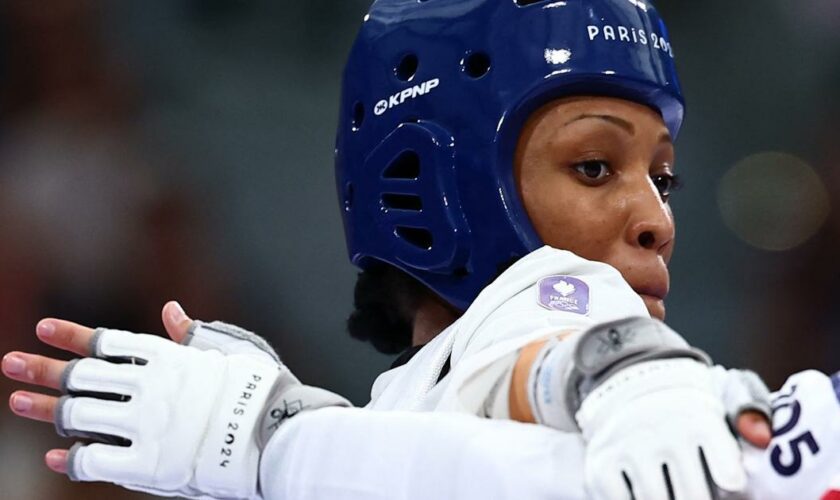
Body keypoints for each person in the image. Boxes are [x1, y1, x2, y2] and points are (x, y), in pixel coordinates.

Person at [4, 0, 839, 499]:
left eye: (664, 179)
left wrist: (274, 446)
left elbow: (564, 348)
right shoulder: (430, 413)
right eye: (595, 166)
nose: (659, 218)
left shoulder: (579, 349)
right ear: (438, 186)